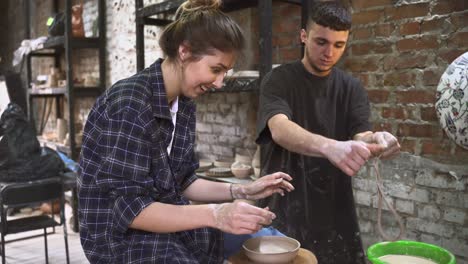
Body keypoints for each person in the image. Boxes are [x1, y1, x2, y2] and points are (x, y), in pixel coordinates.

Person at [77, 0, 294, 263]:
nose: (219, 83)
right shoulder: (129, 104)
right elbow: (130, 211)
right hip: (119, 240)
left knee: (270, 236)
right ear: (184, 52)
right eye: (216, 70)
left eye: (225, 72)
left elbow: (184, 181)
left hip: (168, 219)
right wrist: (216, 214)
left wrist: (243, 191)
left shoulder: (184, 104)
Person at [255, 1, 400, 263]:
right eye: (321, 42)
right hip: (284, 203)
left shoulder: (351, 87)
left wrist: (377, 139)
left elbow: (360, 134)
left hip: (334, 206)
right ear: (303, 36)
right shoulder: (279, 80)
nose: (328, 53)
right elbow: (279, 128)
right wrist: (330, 146)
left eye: (338, 45)